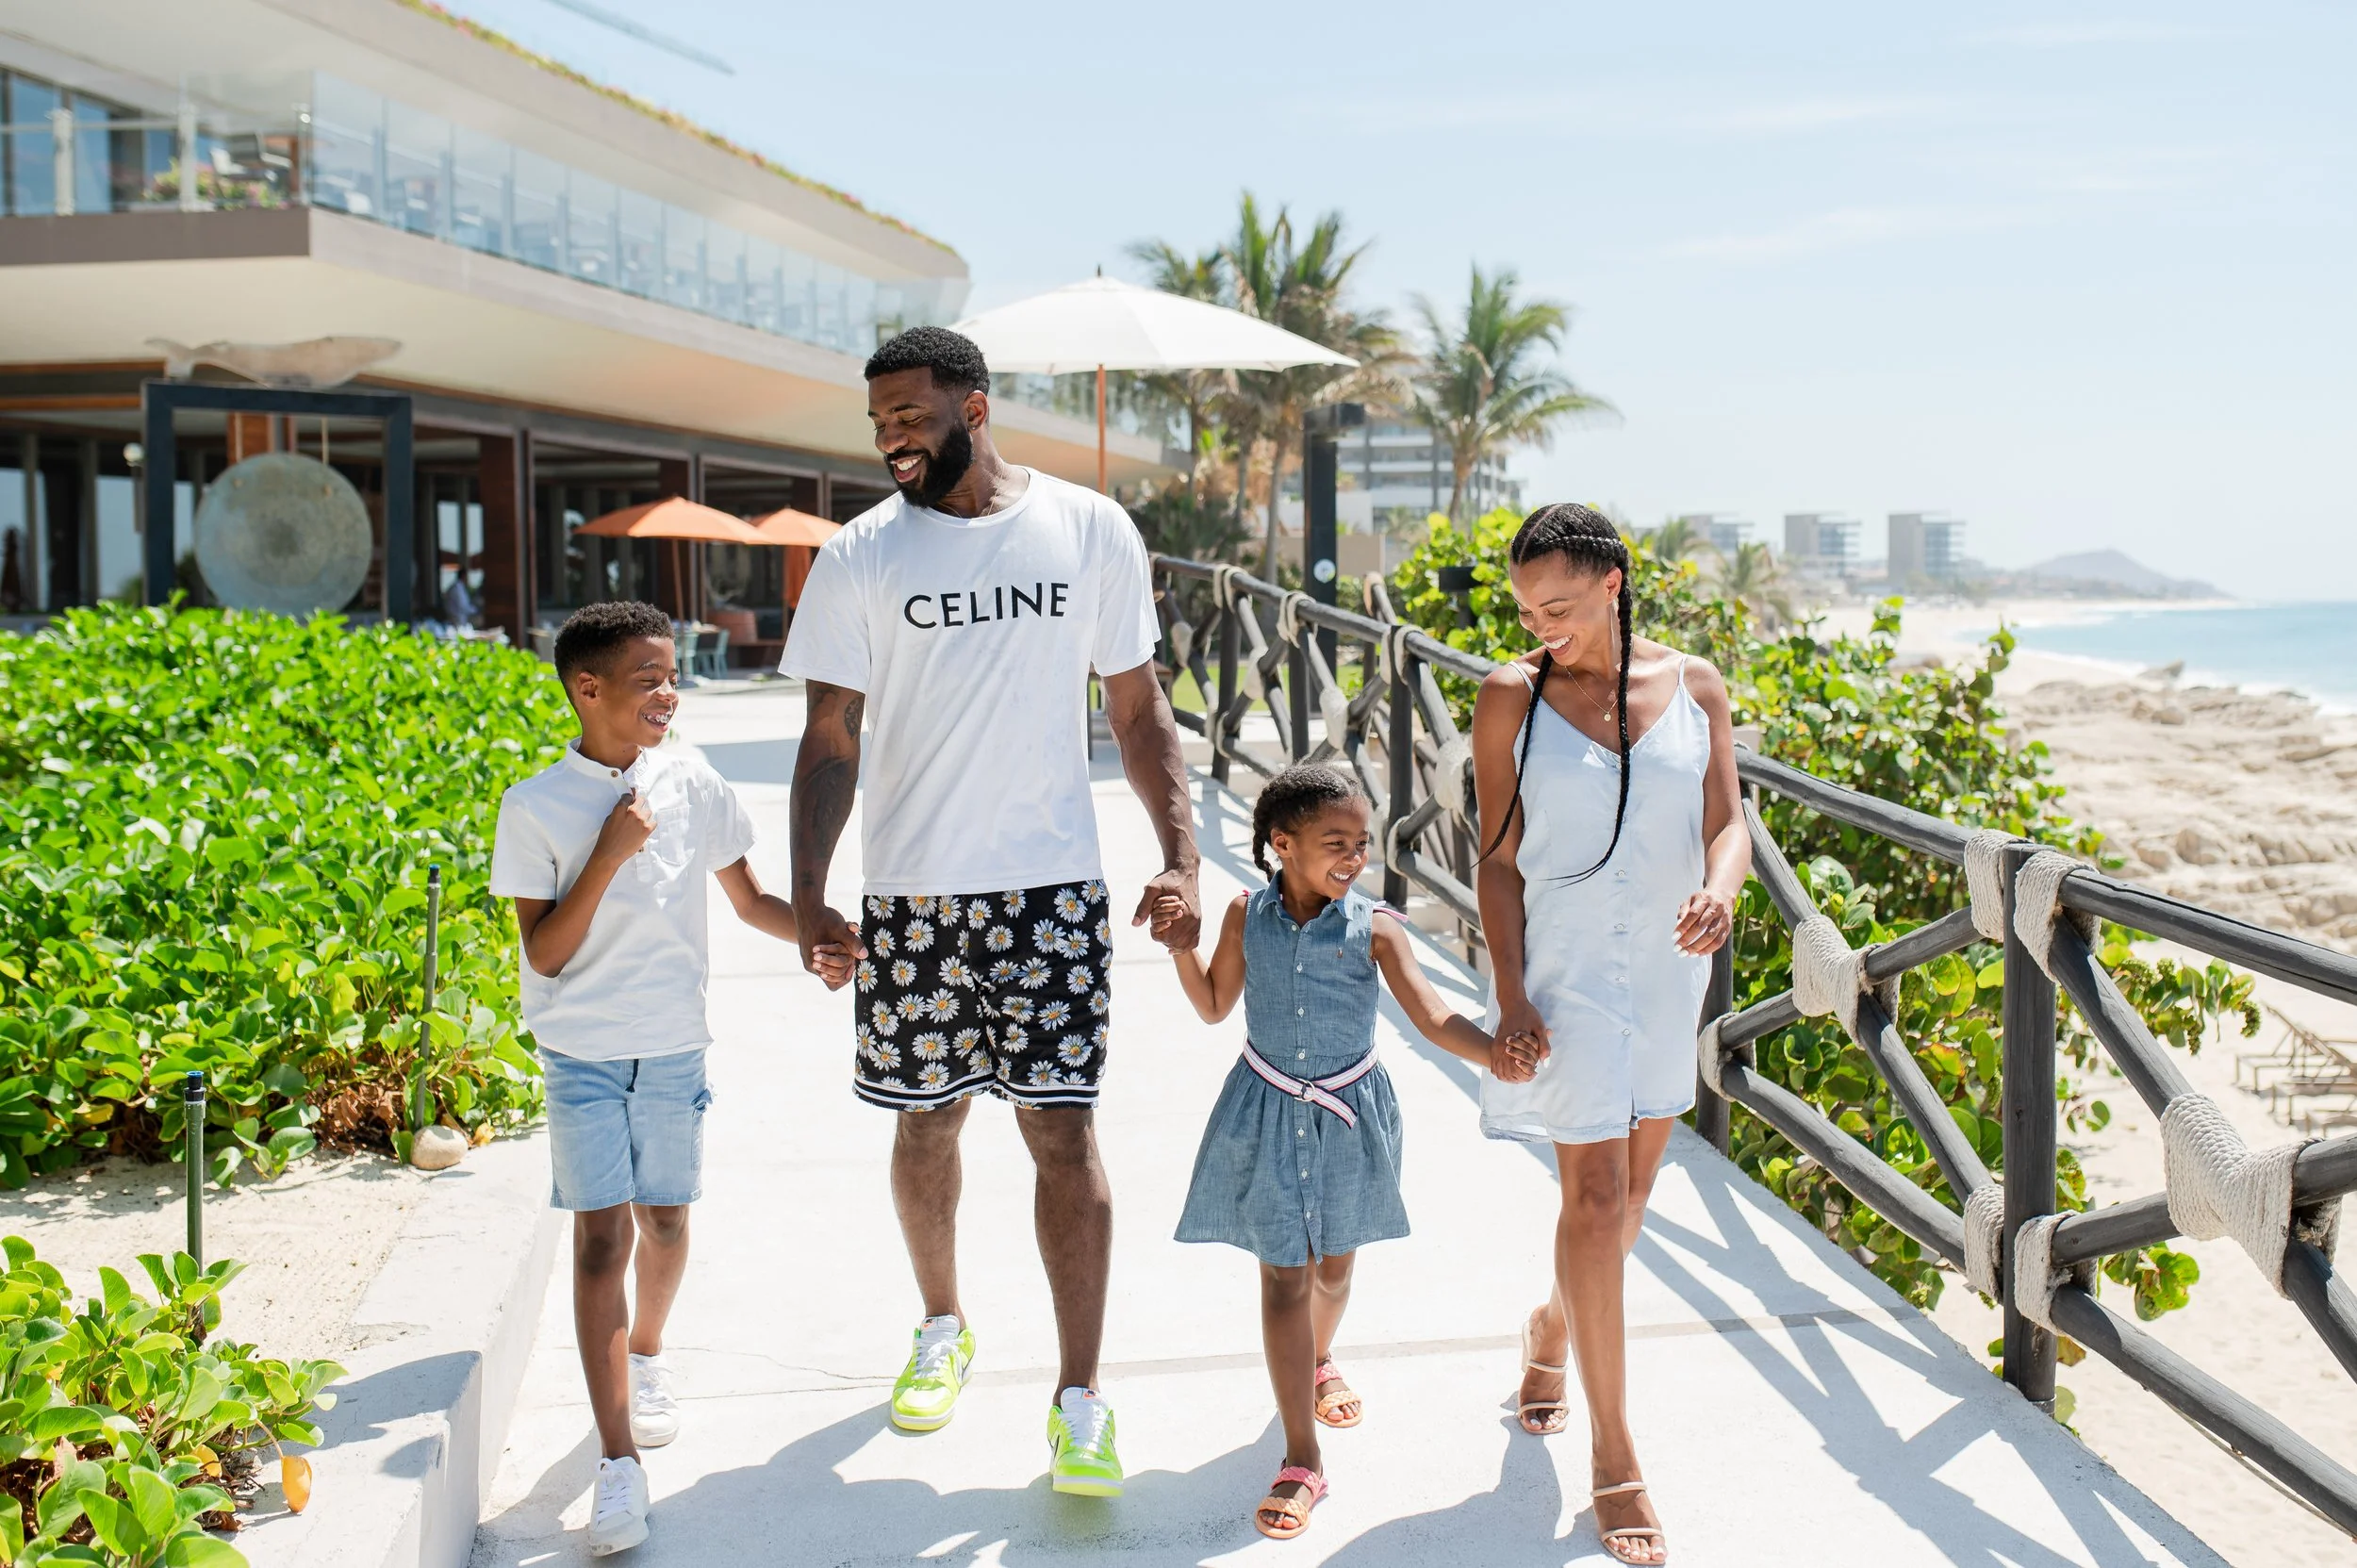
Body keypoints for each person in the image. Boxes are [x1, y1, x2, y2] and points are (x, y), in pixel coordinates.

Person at [782, 326, 1199, 1496]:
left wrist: (1181, 856)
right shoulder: (860, 554)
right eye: (877, 423)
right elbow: (830, 734)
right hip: (910, 895)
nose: (891, 438)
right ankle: (941, 1323)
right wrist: (812, 895)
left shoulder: (1086, 528)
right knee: (926, 1124)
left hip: (1052, 891)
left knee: (1062, 1129)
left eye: (909, 413)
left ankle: (1079, 1398)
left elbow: (1136, 707)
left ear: (973, 401)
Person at [489, 600, 849, 1556]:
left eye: (669, 675)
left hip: (674, 1044)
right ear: (586, 688)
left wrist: (823, 932)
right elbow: (546, 956)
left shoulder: (690, 777)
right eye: (647, 678)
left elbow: (749, 900)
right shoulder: (533, 806)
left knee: (669, 1222)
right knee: (600, 1241)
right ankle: (618, 1464)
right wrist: (608, 853)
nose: (668, 691)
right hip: (580, 1053)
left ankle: (646, 1353)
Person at [1469, 503, 1749, 1568]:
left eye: (1561, 606)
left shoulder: (1698, 687)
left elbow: (1728, 823)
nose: (1542, 625)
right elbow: (1497, 859)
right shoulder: (1511, 696)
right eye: (1526, 609)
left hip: (1668, 975)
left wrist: (1721, 892)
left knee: (1626, 1205)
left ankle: (1549, 1329)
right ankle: (1615, 1456)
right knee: (1589, 1201)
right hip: (1566, 978)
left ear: (1615, 585)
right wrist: (1511, 995)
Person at [1162, 763, 1539, 1539]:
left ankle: (1318, 1356)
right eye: (1335, 842)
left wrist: (1493, 1050)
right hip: (1265, 1111)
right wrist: (1178, 947)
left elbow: (1434, 1018)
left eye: (1361, 843)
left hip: (1349, 1117)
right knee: (1282, 1278)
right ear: (1281, 843)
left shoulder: (1375, 927)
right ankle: (1304, 1455)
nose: (1353, 856)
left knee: (1334, 1266)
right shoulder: (1244, 916)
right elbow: (1210, 1005)